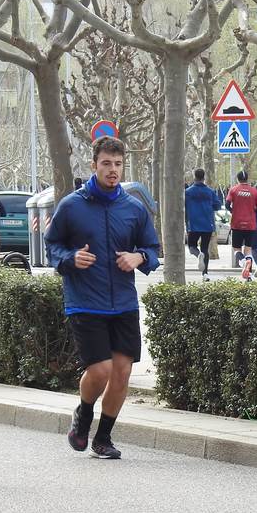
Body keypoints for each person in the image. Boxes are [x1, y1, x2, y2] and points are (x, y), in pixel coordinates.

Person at [45, 136, 160, 460]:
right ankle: (83, 414)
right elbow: (51, 245)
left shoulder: (134, 209)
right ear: (94, 165)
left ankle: (103, 438)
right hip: (85, 299)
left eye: (118, 164)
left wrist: (139, 258)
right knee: (101, 371)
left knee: (122, 372)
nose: (112, 170)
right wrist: (70, 259)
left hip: (123, 302)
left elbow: (152, 249)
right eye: (106, 164)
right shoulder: (71, 206)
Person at [184, 168, 221, 282]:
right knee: (205, 248)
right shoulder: (210, 191)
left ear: (194, 177)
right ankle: (205, 274)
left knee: (191, 247)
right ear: (204, 177)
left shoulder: (188, 192)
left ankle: (198, 254)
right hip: (207, 224)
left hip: (193, 224)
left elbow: (182, 206)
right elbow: (218, 205)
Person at [226, 168, 257, 280]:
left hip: (237, 223)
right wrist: (252, 211)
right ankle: (249, 276)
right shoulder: (254, 191)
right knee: (248, 250)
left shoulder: (233, 190)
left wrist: (234, 211)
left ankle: (243, 262)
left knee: (236, 249)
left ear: (238, 179)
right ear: (247, 178)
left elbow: (227, 204)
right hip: (251, 224)